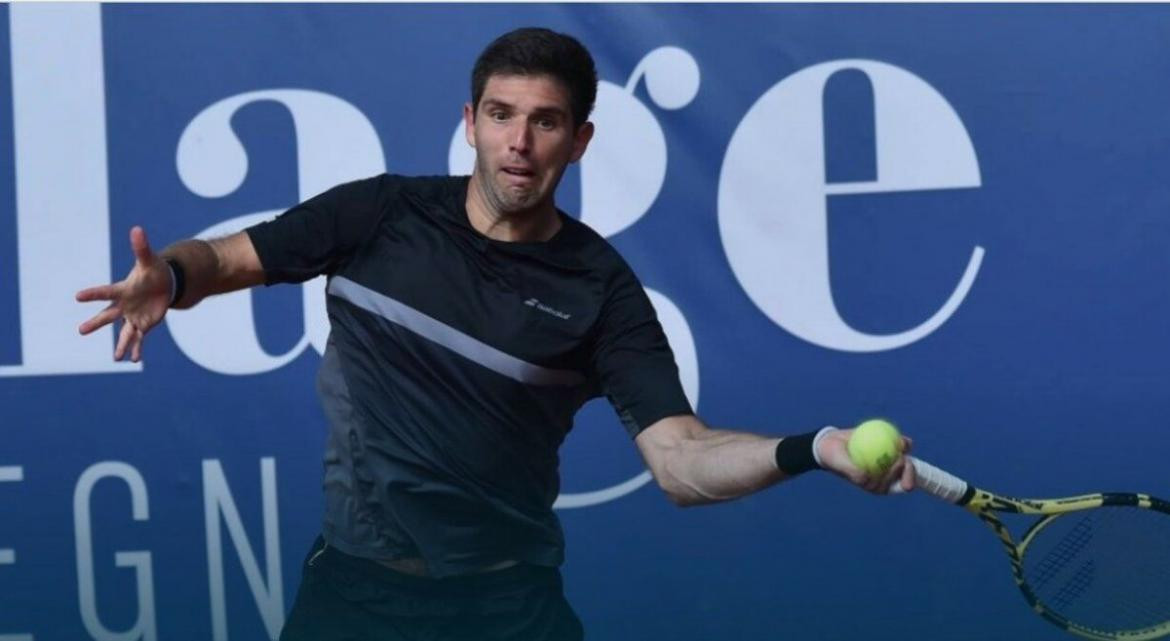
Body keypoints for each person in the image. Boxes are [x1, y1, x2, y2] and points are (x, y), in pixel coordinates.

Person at [77, 27, 915, 641]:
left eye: (546, 121)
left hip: (508, 610)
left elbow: (682, 461)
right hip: (352, 600)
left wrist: (816, 447)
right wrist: (171, 277)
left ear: (579, 140)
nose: (519, 142)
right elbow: (225, 258)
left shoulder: (603, 291)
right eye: (501, 114)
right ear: (470, 120)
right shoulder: (379, 214)